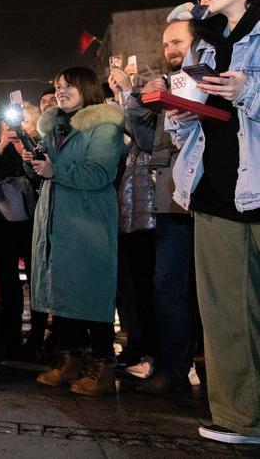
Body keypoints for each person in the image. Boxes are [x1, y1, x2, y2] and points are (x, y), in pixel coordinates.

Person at [167, 0, 260, 444]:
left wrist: (248, 88)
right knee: (225, 313)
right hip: (212, 192)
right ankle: (239, 419)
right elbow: (183, 117)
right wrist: (180, 114)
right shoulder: (200, 46)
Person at [25, 67, 124, 396]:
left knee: (92, 293)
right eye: (58, 86)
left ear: (87, 87)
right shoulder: (55, 127)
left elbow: (99, 173)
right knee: (62, 291)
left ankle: (102, 365)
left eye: (68, 86)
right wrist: (35, 162)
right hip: (56, 219)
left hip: (88, 222)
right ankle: (69, 360)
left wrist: (56, 169)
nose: (61, 91)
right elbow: (50, 171)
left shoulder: (104, 125)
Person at [116, 19, 200, 395]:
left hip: (208, 199)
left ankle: (207, 368)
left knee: (204, 292)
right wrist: (133, 98)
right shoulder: (169, 86)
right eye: (165, 44)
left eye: (177, 42)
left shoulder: (210, 80)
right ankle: (175, 370)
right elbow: (153, 143)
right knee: (167, 288)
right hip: (170, 202)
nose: (170, 50)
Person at [107, 65, 159, 378]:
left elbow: (146, 137)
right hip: (127, 218)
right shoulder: (127, 123)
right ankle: (138, 347)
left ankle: (158, 354)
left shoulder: (152, 119)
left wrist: (127, 93)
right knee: (133, 290)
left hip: (152, 215)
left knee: (153, 289)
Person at [0, 104, 43, 360]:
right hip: (3, 225)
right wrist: (0, 147)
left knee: (37, 281)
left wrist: (26, 150)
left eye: (23, 121)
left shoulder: (39, 145)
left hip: (33, 224)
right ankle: (7, 336)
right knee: (7, 283)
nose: (14, 127)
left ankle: (37, 339)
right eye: (9, 122)